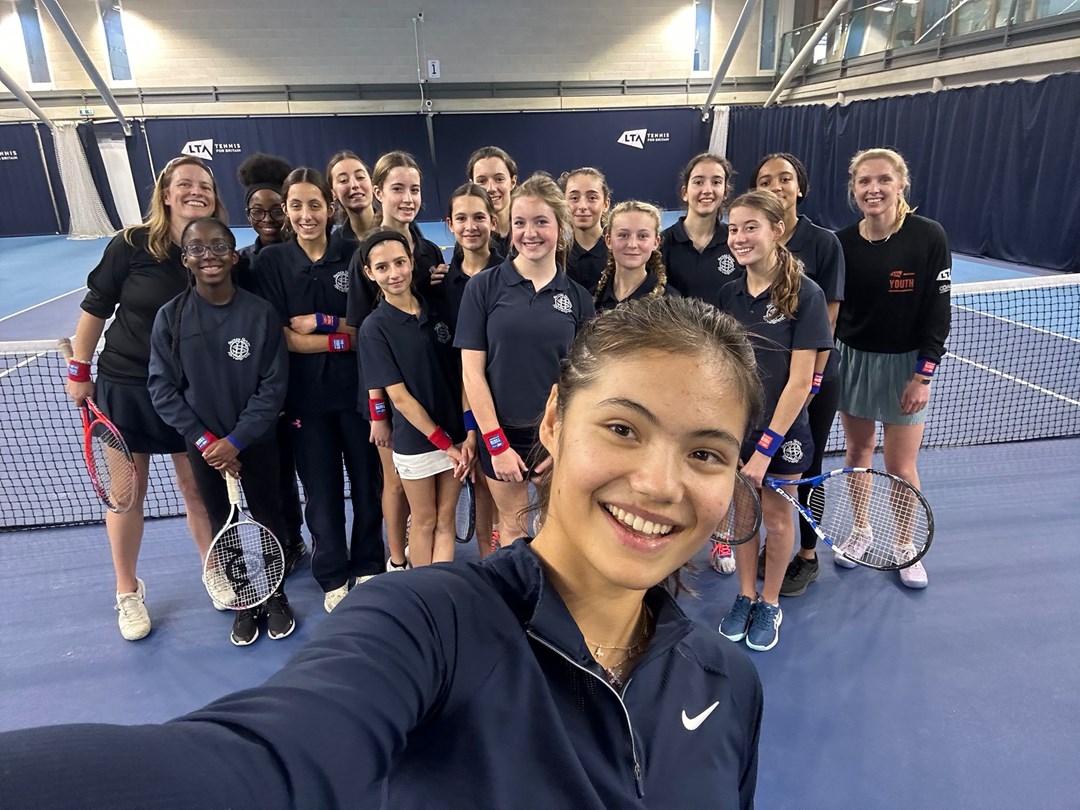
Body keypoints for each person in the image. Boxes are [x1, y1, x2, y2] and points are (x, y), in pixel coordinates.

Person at [0, 297, 763, 809]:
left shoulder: (728, 681)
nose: (662, 484)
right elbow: (262, 765)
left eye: (706, 454)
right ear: (556, 422)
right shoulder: (425, 624)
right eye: (624, 429)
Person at [63, 155, 219, 641]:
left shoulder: (214, 250)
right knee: (126, 495)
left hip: (188, 393)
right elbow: (95, 308)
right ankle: (127, 591)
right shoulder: (130, 246)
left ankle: (213, 569)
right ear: (166, 193)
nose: (197, 192)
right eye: (186, 184)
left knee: (197, 491)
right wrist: (79, 371)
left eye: (206, 187)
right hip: (124, 387)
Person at [148, 217, 295, 646]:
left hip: (257, 442)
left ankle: (276, 596)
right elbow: (162, 387)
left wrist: (237, 439)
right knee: (219, 522)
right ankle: (245, 602)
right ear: (186, 259)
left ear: (234, 255)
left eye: (217, 247)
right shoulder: (170, 318)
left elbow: (273, 385)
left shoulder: (259, 313)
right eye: (197, 248)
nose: (208, 255)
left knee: (271, 517)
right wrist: (206, 441)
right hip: (205, 449)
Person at [255, 168, 383, 612]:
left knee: (369, 484)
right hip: (304, 403)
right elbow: (283, 339)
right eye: (296, 206)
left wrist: (322, 325)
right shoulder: (269, 264)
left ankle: (369, 561)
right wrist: (337, 335)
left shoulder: (355, 253)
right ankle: (332, 573)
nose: (306, 215)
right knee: (321, 490)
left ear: (330, 207)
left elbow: (366, 327)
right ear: (287, 211)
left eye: (314, 205)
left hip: (358, 398)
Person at [717, 191, 833, 652]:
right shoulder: (728, 294)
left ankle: (769, 601)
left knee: (778, 518)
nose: (740, 237)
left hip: (782, 436)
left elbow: (801, 381)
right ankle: (744, 596)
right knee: (743, 517)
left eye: (750, 227)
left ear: (776, 231)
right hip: (735, 429)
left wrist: (766, 447)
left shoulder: (806, 293)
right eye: (734, 228)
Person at [455, 172, 595, 543]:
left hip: (558, 435)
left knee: (556, 528)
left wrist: (563, 440)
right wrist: (496, 444)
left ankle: (550, 599)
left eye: (541, 222)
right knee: (514, 526)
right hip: (501, 436)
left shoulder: (579, 299)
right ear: (508, 227)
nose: (529, 232)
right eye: (520, 222)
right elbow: (472, 374)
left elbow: (584, 380)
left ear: (560, 228)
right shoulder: (482, 287)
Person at [834, 148, 951, 589]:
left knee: (901, 465)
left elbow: (939, 311)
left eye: (883, 180)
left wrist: (923, 374)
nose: (874, 189)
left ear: (901, 184)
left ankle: (905, 545)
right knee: (858, 453)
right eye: (864, 182)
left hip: (906, 367)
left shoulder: (928, 236)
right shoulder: (842, 243)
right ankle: (861, 531)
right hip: (854, 361)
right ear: (854, 189)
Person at [750, 152, 846, 596]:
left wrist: (809, 388)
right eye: (766, 179)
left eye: (784, 179)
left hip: (814, 382)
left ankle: (806, 556)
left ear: (799, 187)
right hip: (767, 387)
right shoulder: (750, 241)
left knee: (808, 465)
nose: (776, 185)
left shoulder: (822, 243)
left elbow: (828, 316)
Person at [359, 230, 473, 567]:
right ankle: (422, 597)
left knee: (445, 520)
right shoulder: (373, 328)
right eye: (382, 268)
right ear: (370, 273)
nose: (393, 273)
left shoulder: (437, 308)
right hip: (418, 442)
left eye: (399, 263)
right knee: (423, 522)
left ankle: (441, 589)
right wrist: (444, 444)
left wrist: (467, 435)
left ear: (411, 262)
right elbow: (401, 399)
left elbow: (463, 375)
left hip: (455, 437)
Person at [234, 152, 309, 578]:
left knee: (315, 475)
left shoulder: (306, 256)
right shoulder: (242, 266)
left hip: (307, 385)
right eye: (257, 211)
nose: (268, 218)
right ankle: (286, 540)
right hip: (263, 393)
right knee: (274, 477)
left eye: (276, 209)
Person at [428, 182, 504, 558]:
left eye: (479, 217)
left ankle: (494, 561)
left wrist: (478, 426)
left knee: (490, 487)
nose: (471, 226)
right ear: (449, 224)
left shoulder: (509, 276)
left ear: (493, 220)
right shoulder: (438, 284)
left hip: (496, 406)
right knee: (456, 487)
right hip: (449, 404)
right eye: (462, 218)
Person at [661, 152, 739, 302]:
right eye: (698, 182)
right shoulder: (663, 243)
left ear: (725, 192)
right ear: (685, 192)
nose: (707, 190)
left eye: (716, 182)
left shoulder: (737, 241)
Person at [593, 200, 680, 312]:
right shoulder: (593, 298)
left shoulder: (670, 303)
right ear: (608, 240)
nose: (632, 244)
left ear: (656, 242)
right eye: (623, 235)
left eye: (642, 236)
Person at [560, 166, 611, 294]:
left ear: (606, 204)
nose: (582, 206)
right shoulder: (555, 255)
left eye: (592, 198)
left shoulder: (620, 254)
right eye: (574, 198)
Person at [467, 145, 518, 256]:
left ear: (512, 182)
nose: (491, 188)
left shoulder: (529, 234)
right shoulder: (469, 239)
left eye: (499, 179)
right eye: (482, 181)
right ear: (472, 185)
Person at [326, 150, 377, 243]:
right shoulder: (334, 244)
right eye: (343, 180)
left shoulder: (396, 228)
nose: (354, 185)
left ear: (372, 183)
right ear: (333, 193)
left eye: (360, 177)